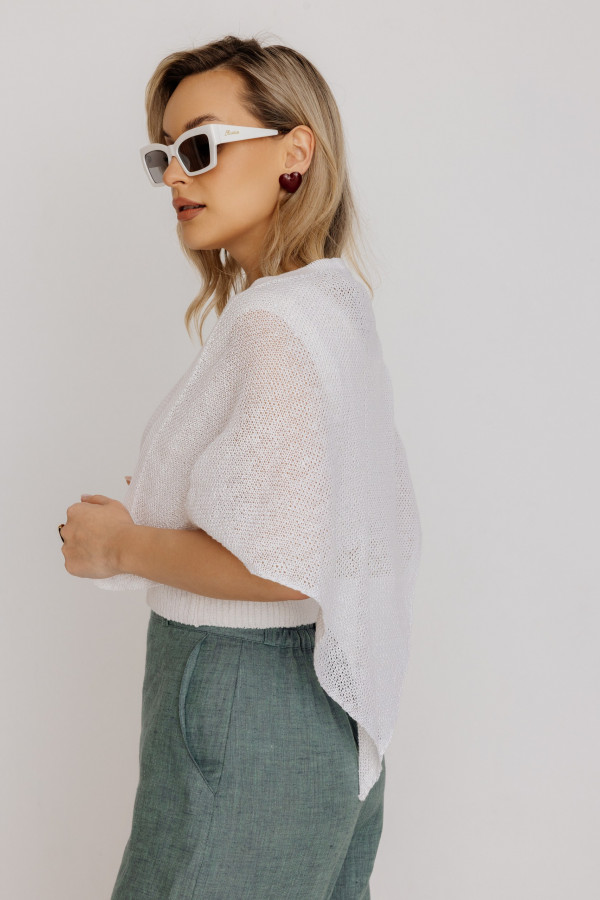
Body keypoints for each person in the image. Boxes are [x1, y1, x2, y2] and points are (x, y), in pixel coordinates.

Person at [59, 34, 422, 899]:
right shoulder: (334, 303)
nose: (175, 178)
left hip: (239, 690)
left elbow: (280, 564)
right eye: (164, 157)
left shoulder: (275, 324)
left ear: (295, 153)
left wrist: (118, 546)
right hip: (319, 712)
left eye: (201, 147)